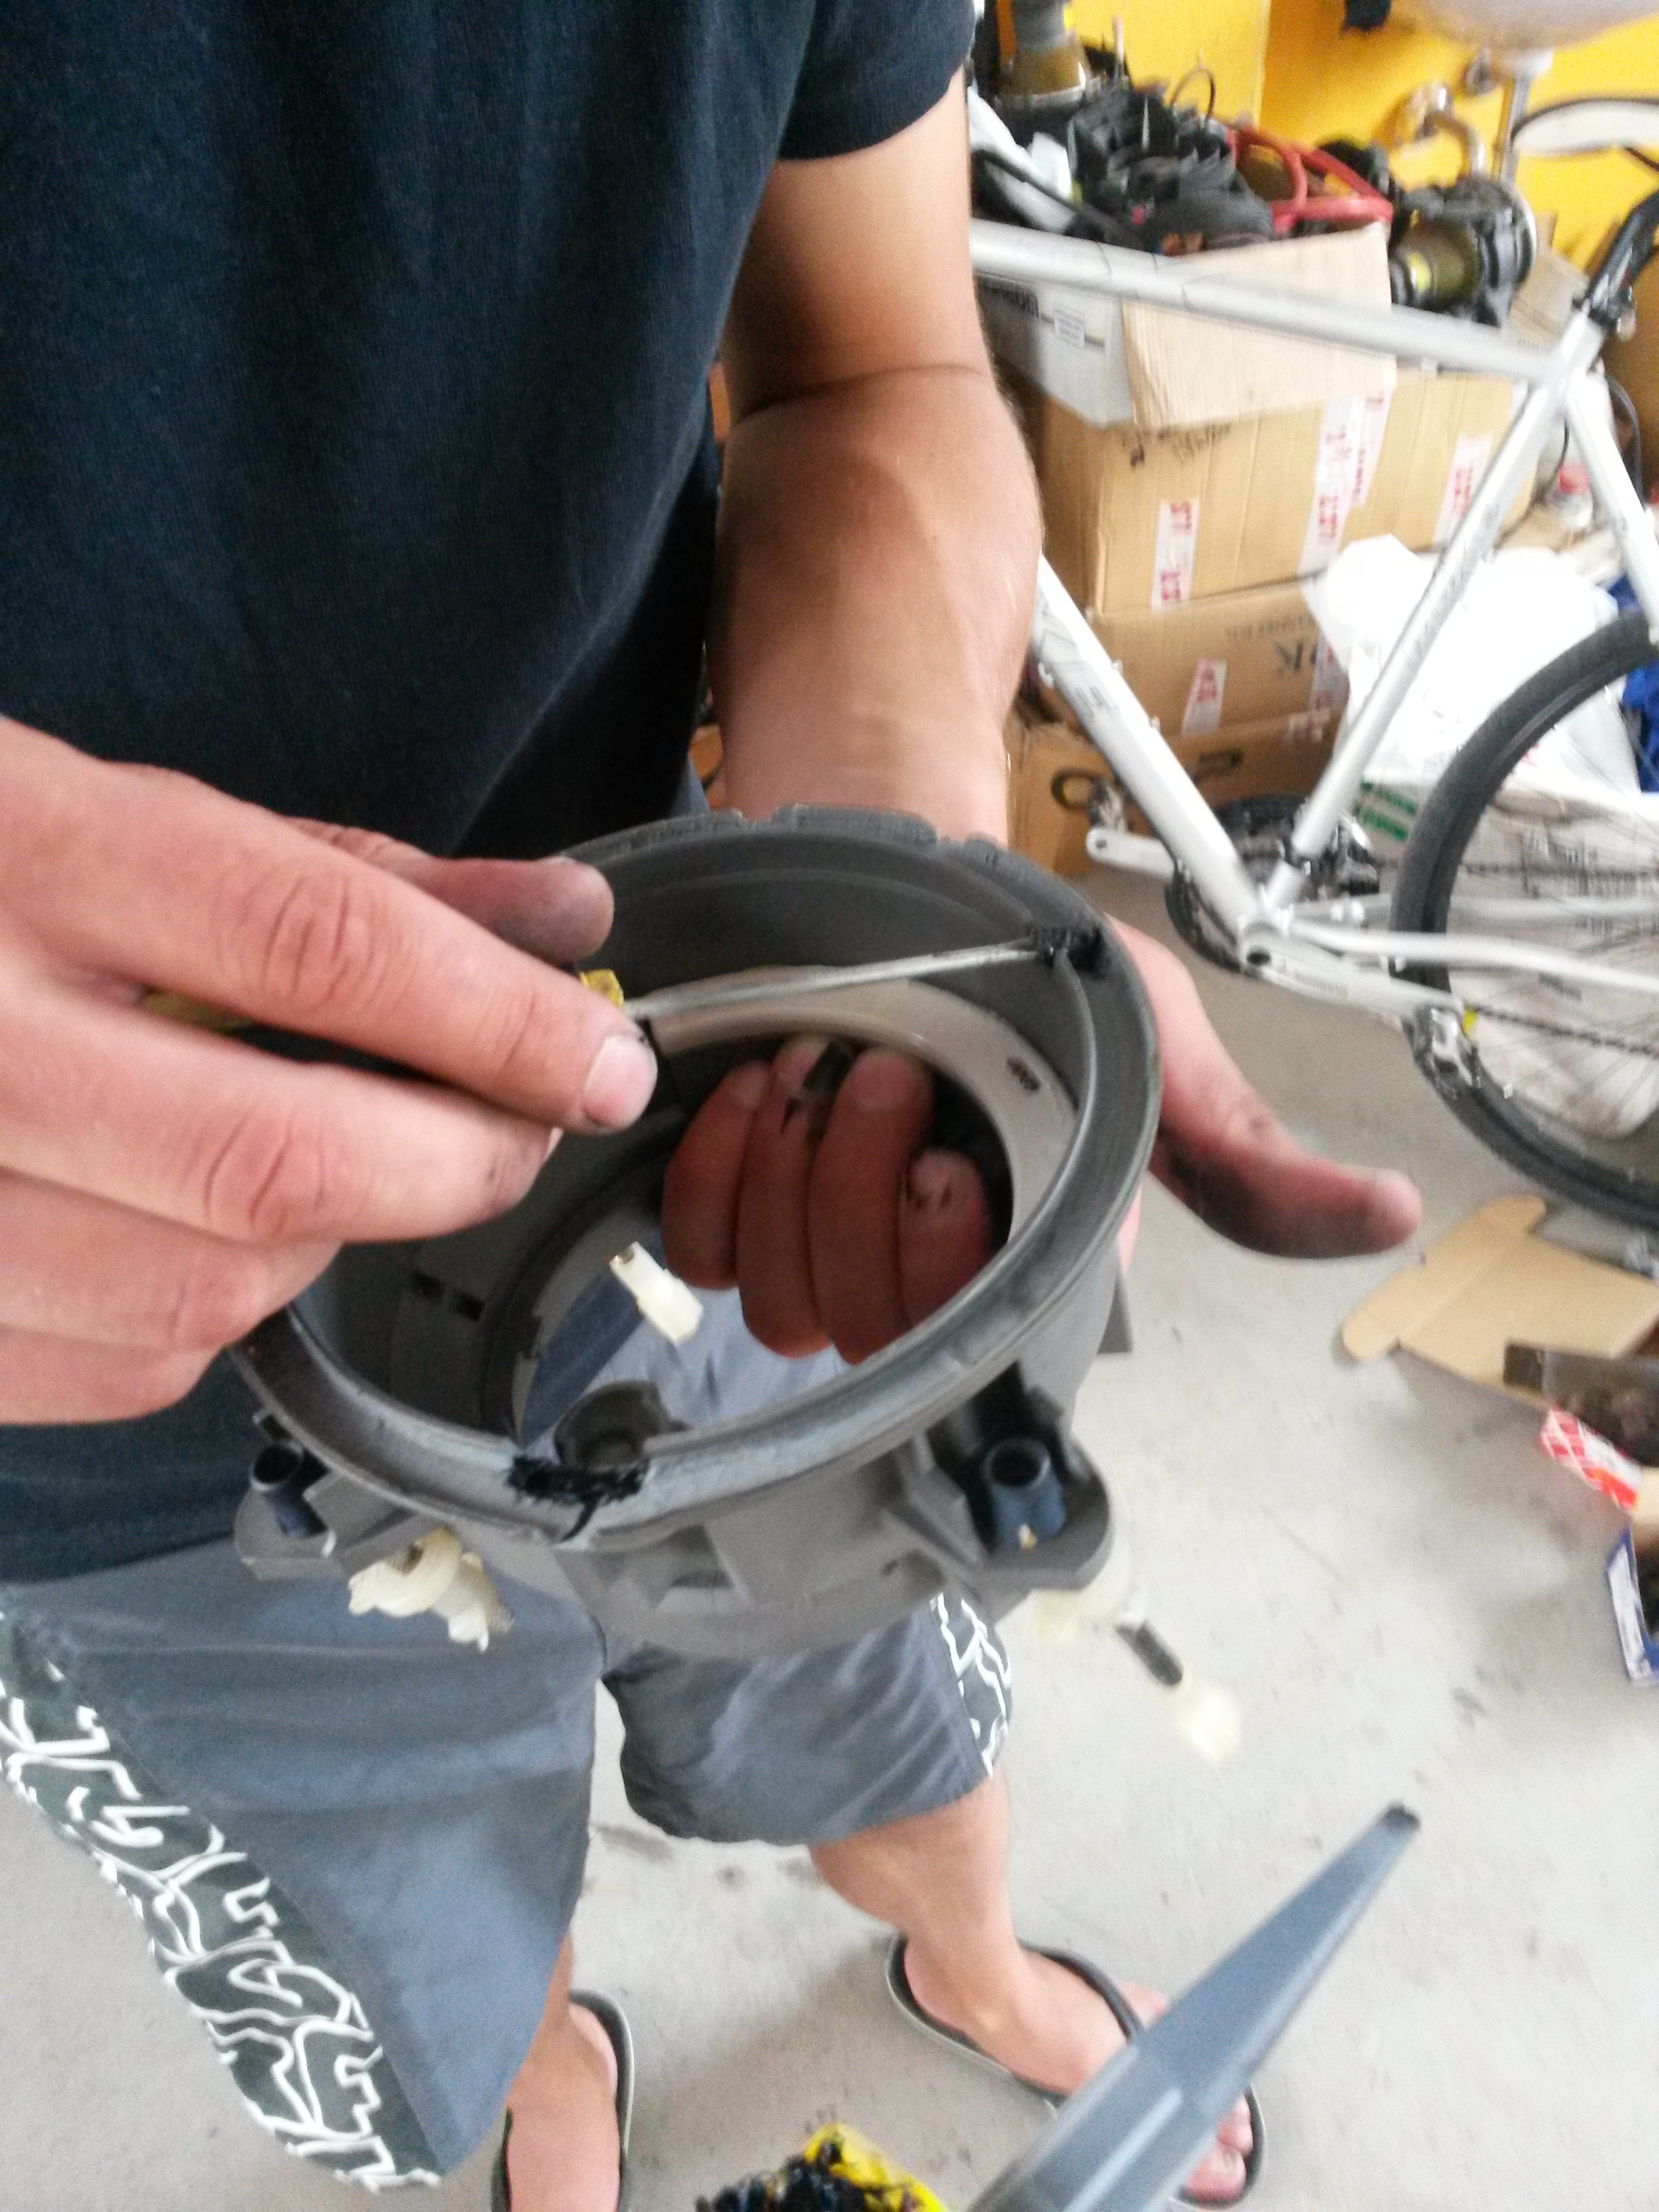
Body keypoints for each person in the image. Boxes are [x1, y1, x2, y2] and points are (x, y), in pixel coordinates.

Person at [0, 7, 1422, 2207]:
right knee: (426, 1911)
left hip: (718, 1114)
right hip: (85, 1398)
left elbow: (870, 368)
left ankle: (966, 1960)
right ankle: (544, 2075)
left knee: (894, 1692)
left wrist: (890, 927)